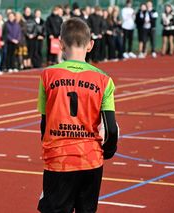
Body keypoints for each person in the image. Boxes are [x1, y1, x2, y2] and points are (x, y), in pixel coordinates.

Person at [37, 17, 118, 213]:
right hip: (91, 160)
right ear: (91, 45)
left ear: (61, 43)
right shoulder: (104, 80)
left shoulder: (47, 75)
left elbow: (45, 122)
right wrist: (107, 151)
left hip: (58, 161)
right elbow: (110, 127)